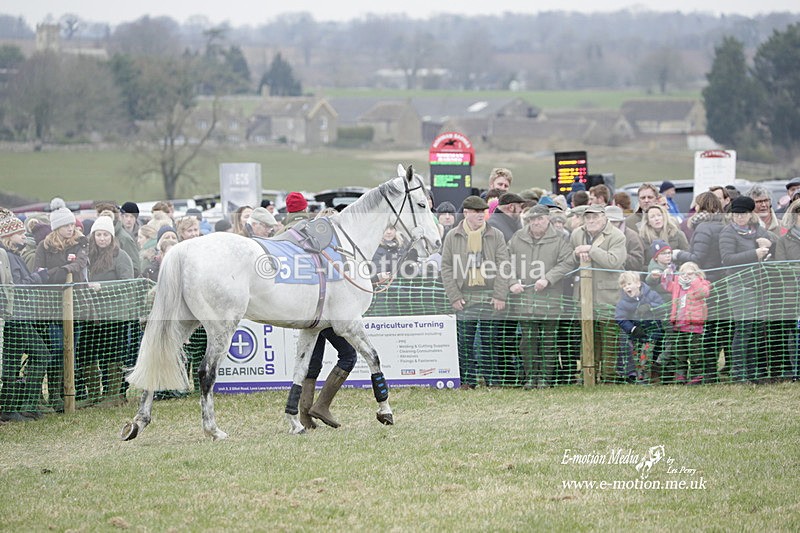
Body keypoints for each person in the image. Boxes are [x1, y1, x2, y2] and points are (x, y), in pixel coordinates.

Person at [441, 195, 512, 389]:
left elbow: (504, 265)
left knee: (489, 342)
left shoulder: (495, 234)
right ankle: (468, 381)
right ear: (466, 213)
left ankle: (492, 381)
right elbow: (446, 267)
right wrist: (454, 296)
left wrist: (499, 295)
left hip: (489, 296)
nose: (482, 215)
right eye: (477, 212)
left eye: (483, 211)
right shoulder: (452, 236)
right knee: (465, 343)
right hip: (465, 297)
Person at [508, 205, 575, 388]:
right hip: (525, 300)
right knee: (527, 341)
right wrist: (512, 282)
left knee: (548, 341)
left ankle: (545, 378)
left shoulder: (560, 238)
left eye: (540, 219)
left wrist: (548, 278)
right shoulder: (517, 238)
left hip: (550, 299)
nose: (536, 222)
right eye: (533, 219)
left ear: (548, 219)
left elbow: (567, 262)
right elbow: (506, 262)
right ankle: (531, 377)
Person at [33, 207, 89, 411]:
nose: (70, 228)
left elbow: (79, 264)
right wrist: (60, 271)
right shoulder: (43, 247)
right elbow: (39, 274)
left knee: (72, 349)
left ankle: (70, 392)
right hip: (52, 306)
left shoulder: (80, 242)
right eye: (66, 225)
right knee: (57, 349)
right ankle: (55, 394)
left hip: (77, 305)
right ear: (56, 227)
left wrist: (62, 270)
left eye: (72, 225)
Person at [719, 196, 778, 383]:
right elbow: (727, 259)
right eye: (736, 214)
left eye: (743, 214)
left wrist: (769, 246)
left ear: (750, 214)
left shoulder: (758, 229)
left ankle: (755, 373)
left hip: (757, 285)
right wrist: (754, 253)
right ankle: (739, 373)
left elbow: (772, 248)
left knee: (756, 329)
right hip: (738, 285)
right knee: (743, 329)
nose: (739, 217)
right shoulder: (728, 233)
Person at [673, 192, 729, 383]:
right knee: (717, 330)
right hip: (720, 282)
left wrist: (678, 254)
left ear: (701, 206)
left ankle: (705, 373)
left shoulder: (704, 227)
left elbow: (697, 258)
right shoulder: (722, 224)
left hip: (704, 284)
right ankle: (710, 371)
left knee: (704, 332)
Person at [0, 210, 50, 421]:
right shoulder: (8, 257)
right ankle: (28, 405)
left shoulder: (12, 256)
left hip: (15, 318)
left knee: (10, 364)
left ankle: (9, 409)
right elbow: (17, 287)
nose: (24, 237)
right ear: (8, 236)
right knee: (42, 354)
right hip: (17, 319)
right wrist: (38, 277)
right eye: (20, 234)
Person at [570, 204, 628, 383]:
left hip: (608, 295)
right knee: (587, 336)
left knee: (609, 338)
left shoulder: (617, 236)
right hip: (584, 295)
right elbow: (570, 260)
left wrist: (591, 250)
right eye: (588, 217)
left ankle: (609, 376)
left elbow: (614, 261)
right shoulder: (577, 234)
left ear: (604, 217)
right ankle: (588, 374)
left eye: (595, 217)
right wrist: (576, 254)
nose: (591, 221)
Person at [81, 215, 134, 406]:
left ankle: (114, 395)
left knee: (112, 354)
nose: (102, 238)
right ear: (93, 236)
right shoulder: (87, 256)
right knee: (85, 353)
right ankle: (94, 395)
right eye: (98, 235)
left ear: (111, 237)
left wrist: (102, 287)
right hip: (92, 315)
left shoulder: (120, 256)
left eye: (105, 235)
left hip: (115, 315)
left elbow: (128, 284)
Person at [660, 262, 711, 384]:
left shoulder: (701, 283)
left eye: (690, 273)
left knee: (695, 353)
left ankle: (696, 376)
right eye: (684, 273)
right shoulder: (678, 285)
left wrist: (694, 281)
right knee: (679, 353)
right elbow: (667, 286)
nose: (687, 276)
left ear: (697, 274)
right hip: (679, 325)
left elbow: (704, 292)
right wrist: (666, 275)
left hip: (694, 326)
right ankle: (680, 375)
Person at [615, 271, 665, 384]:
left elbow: (662, 306)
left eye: (629, 283)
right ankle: (639, 377)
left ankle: (645, 378)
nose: (627, 287)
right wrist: (632, 329)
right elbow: (620, 318)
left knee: (646, 355)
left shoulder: (651, 295)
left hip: (652, 332)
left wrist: (650, 306)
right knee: (637, 357)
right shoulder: (622, 303)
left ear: (638, 284)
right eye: (624, 285)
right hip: (636, 335)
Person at [775, 198, 800, 382]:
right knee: (793, 334)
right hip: (792, 295)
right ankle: (794, 370)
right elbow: (781, 267)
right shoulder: (784, 241)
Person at [94, 202, 141, 278]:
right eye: (102, 217)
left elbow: (135, 268)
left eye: (108, 217)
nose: (102, 238)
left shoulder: (124, 238)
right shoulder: (93, 238)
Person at [606, 205, 645, 273]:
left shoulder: (632, 237)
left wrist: (619, 255)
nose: (611, 225)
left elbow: (638, 264)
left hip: (625, 279)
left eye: (615, 222)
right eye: (608, 221)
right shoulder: (596, 234)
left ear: (621, 222)